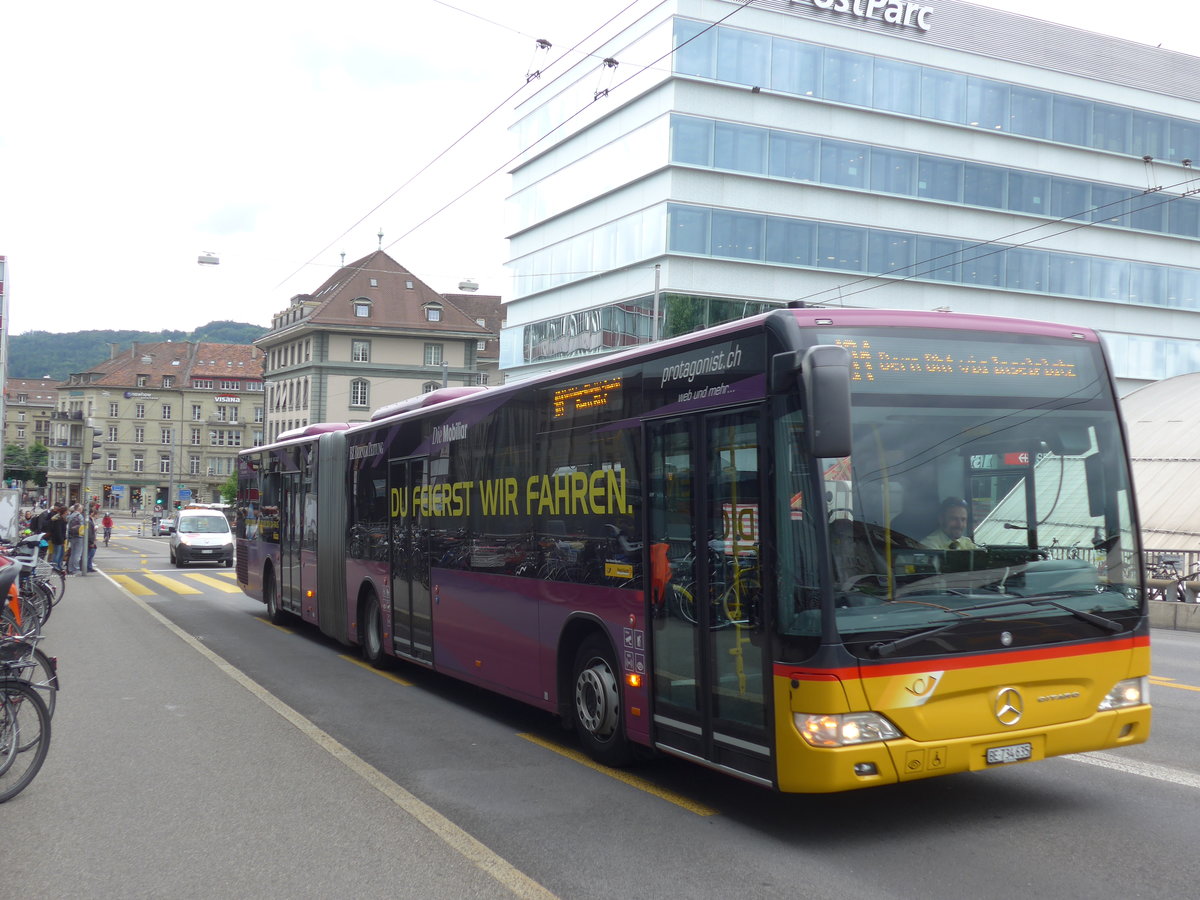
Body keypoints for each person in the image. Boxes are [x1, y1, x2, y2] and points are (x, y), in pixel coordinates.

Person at [66, 503, 86, 575]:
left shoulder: (70, 516)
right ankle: (76, 569)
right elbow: (82, 527)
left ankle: (70, 568)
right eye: (81, 508)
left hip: (71, 536)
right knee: (77, 553)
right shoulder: (79, 516)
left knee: (72, 553)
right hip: (78, 537)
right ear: (79, 509)